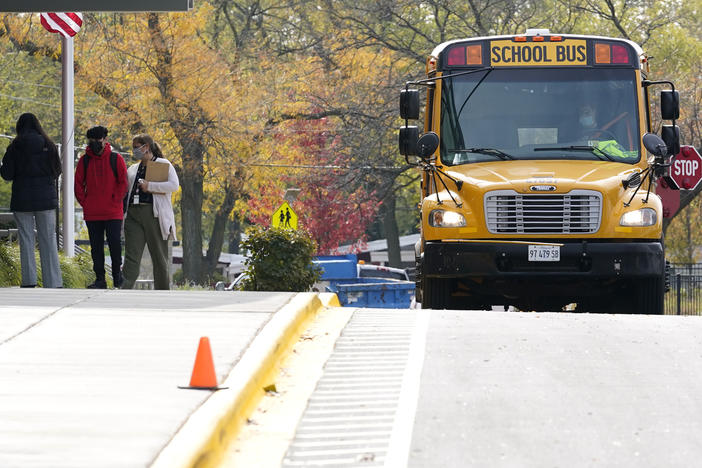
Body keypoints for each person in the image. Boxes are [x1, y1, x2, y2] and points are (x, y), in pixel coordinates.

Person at [0, 113, 63, 288]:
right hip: (45, 200)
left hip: (22, 200)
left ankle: (29, 282)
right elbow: (57, 170)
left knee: (26, 239)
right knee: (48, 239)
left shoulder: (15, 146)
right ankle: (53, 282)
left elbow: (7, 174)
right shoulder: (48, 145)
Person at [122, 134, 179, 290]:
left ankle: (162, 291)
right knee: (131, 256)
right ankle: (124, 287)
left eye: (136, 147)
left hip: (154, 215)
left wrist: (151, 186)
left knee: (159, 257)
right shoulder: (133, 169)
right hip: (133, 214)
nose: (134, 150)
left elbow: (174, 185)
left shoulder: (162, 164)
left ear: (146, 146)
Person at [74, 125, 128, 289]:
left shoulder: (115, 158)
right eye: (92, 140)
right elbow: (78, 184)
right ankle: (100, 279)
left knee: (115, 244)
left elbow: (123, 183)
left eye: (98, 139)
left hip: (113, 211)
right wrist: (87, 202)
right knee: (96, 247)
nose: (95, 143)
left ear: (105, 140)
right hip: (93, 212)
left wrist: (115, 199)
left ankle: (117, 277)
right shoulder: (85, 160)